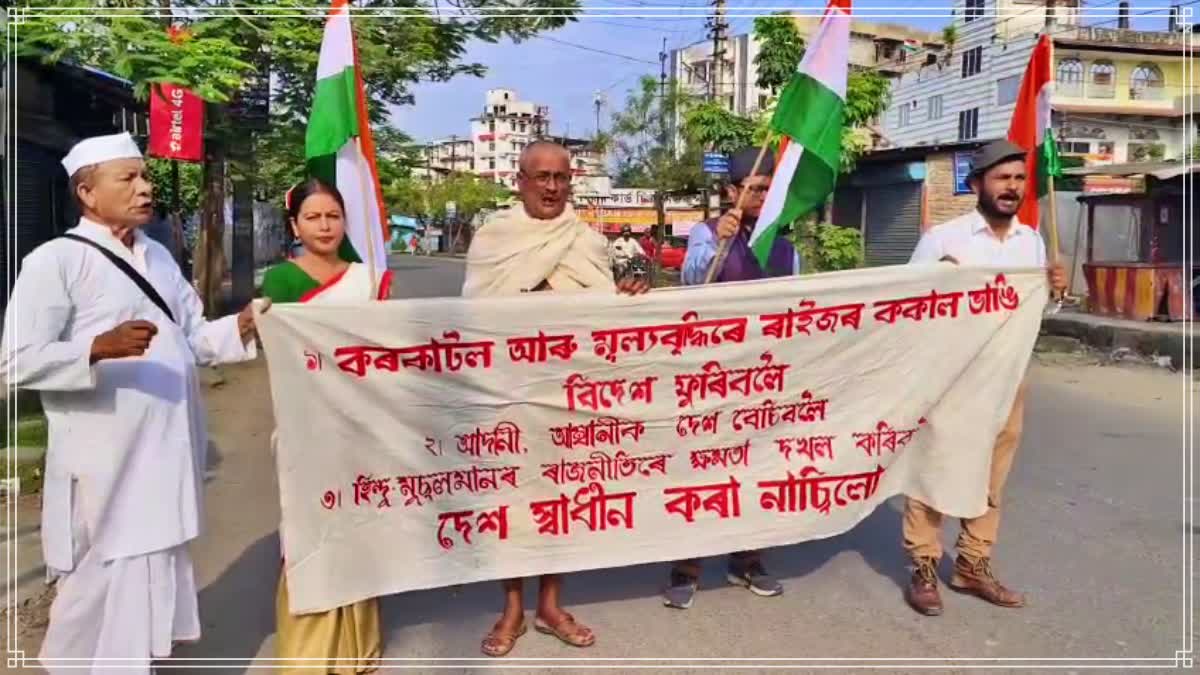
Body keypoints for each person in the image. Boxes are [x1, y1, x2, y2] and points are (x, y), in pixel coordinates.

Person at [0, 132, 260, 674]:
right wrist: (96, 347)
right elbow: (15, 360)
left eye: (145, 177)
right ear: (88, 193)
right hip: (104, 457)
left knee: (154, 558)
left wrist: (240, 326)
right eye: (130, 179)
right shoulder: (55, 261)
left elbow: (192, 337)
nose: (145, 189)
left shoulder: (160, 256)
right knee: (100, 572)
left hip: (165, 445)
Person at [462, 140, 648, 656]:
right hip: (507, 393)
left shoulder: (586, 240)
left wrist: (625, 301)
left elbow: (601, 318)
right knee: (510, 501)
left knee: (559, 501)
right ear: (519, 180)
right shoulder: (493, 238)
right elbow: (474, 314)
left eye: (560, 177)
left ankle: (550, 603)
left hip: (568, 396)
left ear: (572, 182)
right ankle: (512, 609)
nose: (550, 187)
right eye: (539, 176)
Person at [902, 139, 1067, 616]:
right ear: (977, 184)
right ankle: (924, 567)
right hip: (950, 378)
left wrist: (1054, 291)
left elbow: (1037, 311)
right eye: (1002, 178)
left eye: (1018, 179)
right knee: (934, 468)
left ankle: (973, 564)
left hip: (1007, 378)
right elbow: (908, 303)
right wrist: (938, 279)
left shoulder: (1031, 241)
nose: (1012, 187)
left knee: (993, 476)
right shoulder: (944, 239)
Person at [260, 178, 389, 673]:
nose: (324, 226)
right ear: (295, 225)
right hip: (305, 420)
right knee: (308, 527)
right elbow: (283, 356)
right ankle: (311, 653)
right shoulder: (282, 282)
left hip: (361, 421)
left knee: (358, 524)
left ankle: (357, 646)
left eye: (332, 216)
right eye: (312, 217)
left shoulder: (363, 277)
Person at [666, 147, 797, 610]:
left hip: (762, 376)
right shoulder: (706, 233)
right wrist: (718, 244)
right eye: (755, 189)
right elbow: (691, 284)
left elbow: (798, 302)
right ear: (731, 191)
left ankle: (748, 560)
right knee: (702, 470)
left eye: (768, 189)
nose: (763, 196)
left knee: (757, 469)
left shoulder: (783, 240)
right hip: (711, 375)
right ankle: (688, 566)